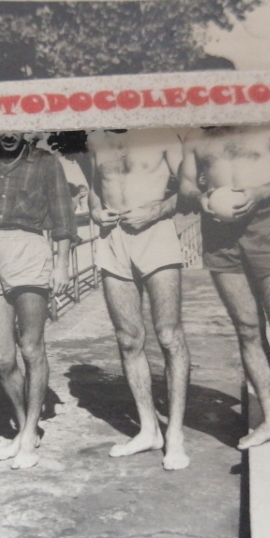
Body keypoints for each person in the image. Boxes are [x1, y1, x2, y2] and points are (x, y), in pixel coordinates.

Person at [179, 124, 270, 461]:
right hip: (219, 236)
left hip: (269, 225)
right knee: (247, 331)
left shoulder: (268, 127)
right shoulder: (197, 135)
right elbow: (185, 183)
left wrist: (261, 192)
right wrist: (200, 197)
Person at [0, 133, 75, 469]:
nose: (8, 134)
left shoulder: (46, 162)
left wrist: (62, 264)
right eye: (2, 127)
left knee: (31, 348)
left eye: (15, 127)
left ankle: (31, 431)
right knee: (1, 356)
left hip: (29, 246)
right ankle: (24, 429)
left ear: (26, 129)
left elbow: (63, 216)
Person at [87, 127, 191, 470]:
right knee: (128, 339)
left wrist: (158, 210)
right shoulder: (96, 139)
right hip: (112, 240)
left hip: (156, 233)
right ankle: (149, 430)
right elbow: (94, 189)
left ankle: (174, 434)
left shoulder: (161, 133)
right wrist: (95, 211)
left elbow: (190, 189)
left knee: (169, 335)